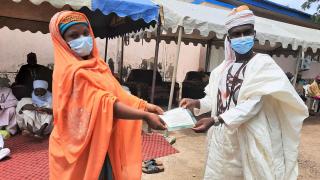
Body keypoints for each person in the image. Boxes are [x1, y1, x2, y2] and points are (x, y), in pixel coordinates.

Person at [180, 6, 308, 180]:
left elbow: (254, 104)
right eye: (236, 34)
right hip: (222, 140)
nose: (242, 38)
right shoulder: (221, 70)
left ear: (254, 34)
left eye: (246, 32)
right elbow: (215, 100)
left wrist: (216, 119)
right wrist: (196, 103)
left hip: (249, 138)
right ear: (229, 38)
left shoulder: (263, 64)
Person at [48, 11, 166, 180]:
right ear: (61, 41)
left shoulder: (98, 65)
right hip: (82, 147)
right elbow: (106, 104)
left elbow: (117, 94)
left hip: (102, 140)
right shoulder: (71, 72)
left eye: (85, 33)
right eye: (73, 35)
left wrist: (146, 105)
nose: (83, 38)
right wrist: (145, 115)